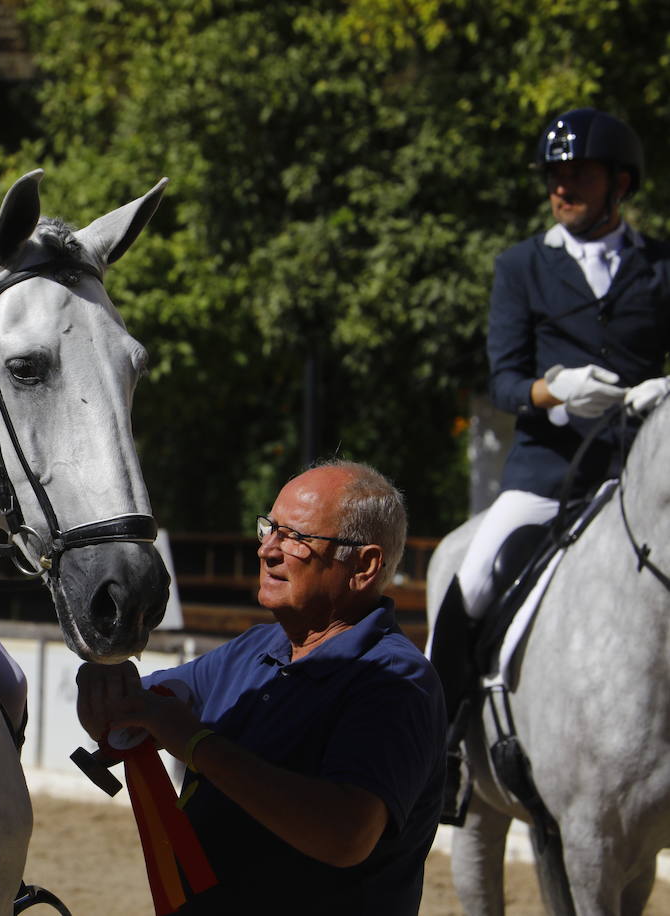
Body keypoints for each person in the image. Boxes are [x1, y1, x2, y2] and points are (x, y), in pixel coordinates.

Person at [75, 461, 445, 912]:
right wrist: (104, 674)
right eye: (269, 528)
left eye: (296, 538)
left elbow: (344, 836)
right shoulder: (260, 643)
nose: (267, 550)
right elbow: (133, 709)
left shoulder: (393, 679)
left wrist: (195, 743)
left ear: (364, 566)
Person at [444, 108, 670, 632]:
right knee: (473, 580)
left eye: (578, 175)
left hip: (643, 464)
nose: (561, 190)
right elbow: (504, 382)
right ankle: (440, 713)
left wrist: (661, 390)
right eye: (554, 177)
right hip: (549, 469)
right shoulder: (520, 266)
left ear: (620, 184)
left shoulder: (661, 266)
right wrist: (556, 391)